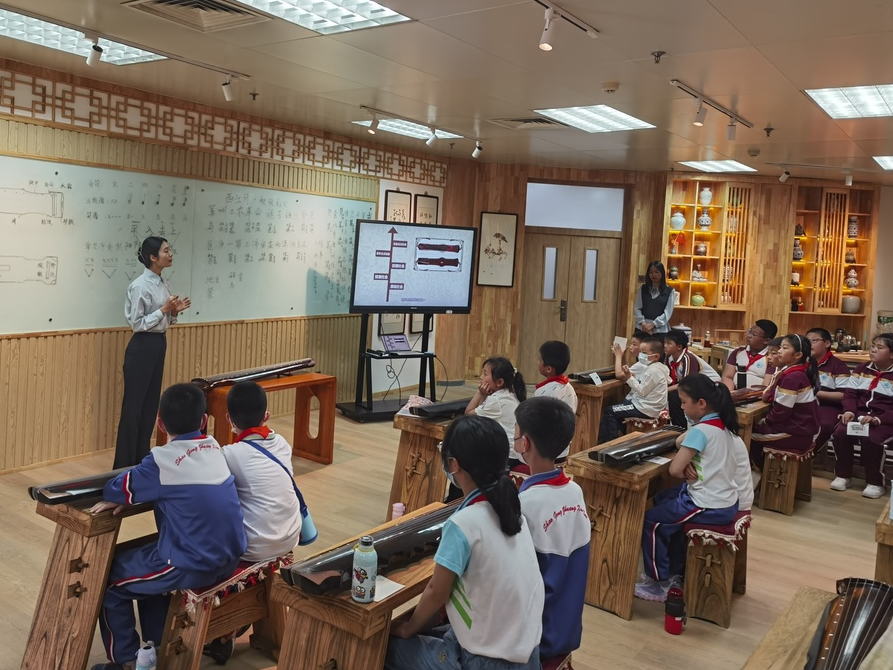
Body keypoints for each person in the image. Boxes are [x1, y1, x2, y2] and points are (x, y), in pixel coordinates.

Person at [88, 383, 246, 670]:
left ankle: (125, 661)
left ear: (160, 424)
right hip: (231, 556)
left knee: (108, 580)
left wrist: (131, 494)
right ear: (204, 420)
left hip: (192, 564)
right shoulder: (214, 447)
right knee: (147, 562)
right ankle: (159, 644)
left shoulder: (161, 461)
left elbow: (115, 489)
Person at [385, 415, 543, 670]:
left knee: (384, 648)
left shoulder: (463, 524)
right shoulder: (513, 511)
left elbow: (436, 592)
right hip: (529, 655)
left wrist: (406, 629)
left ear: (453, 464)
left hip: (483, 662)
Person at [635, 375, 752, 602]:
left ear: (701, 404)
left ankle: (659, 583)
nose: (681, 407)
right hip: (725, 500)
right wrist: (689, 460)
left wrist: (685, 463)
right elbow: (682, 445)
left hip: (708, 503)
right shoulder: (722, 425)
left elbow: (674, 470)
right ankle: (675, 569)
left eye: (684, 402)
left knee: (652, 521)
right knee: (663, 498)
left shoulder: (701, 431)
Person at [514, 398, 590, 666]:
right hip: (567, 629)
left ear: (525, 444)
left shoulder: (527, 504)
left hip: (537, 637)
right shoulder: (575, 491)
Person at [113, 237, 190, 468]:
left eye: (170, 249)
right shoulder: (139, 285)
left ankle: (141, 460)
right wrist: (164, 309)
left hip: (158, 344)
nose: (171, 254)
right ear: (153, 257)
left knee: (149, 407)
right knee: (133, 409)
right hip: (141, 347)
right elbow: (137, 323)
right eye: (166, 251)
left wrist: (174, 312)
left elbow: (163, 321)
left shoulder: (163, 282)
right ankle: (123, 465)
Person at [223, 381, 303, 562]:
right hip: (291, 537)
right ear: (266, 416)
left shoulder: (229, 454)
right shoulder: (282, 443)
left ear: (229, 419)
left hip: (254, 548)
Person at [830, 332, 893, 499]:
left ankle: (875, 482)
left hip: (885, 421)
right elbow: (850, 395)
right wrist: (849, 411)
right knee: (840, 433)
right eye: (872, 346)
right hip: (859, 416)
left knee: (872, 438)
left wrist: (878, 419)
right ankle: (843, 475)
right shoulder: (861, 369)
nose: (873, 350)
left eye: (879, 347)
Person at [750, 334, 820, 469]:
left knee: (747, 435)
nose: (779, 351)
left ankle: (761, 474)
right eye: (780, 347)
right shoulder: (796, 372)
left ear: (798, 355)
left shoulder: (792, 377)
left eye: (785, 348)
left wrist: (765, 421)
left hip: (795, 433)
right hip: (800, 430)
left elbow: (782, 411)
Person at [599, 336, 670, 443]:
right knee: (617, 411)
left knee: (609, 412)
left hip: (645, 408)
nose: (641, 355)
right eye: (640, 351)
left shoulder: (653, 371)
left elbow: (642, 391)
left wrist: (629, 377)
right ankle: (621, 440)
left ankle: (609, 444)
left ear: (656, 356)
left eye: (644, 353)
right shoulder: (659, 367)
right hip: (648, 406)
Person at [465, 356, 527, 464]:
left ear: (499, 382)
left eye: (485, 374)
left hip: (508, 455)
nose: (481, 377)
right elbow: (480, 413)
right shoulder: (508, 394)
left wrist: (480, 393)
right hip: (515, 453)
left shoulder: (497, 400)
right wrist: (484, 395)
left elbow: (468, 414)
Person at [664, 329, 721, 427]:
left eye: (669, 343)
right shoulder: (669, 357)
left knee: (674, 396)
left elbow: (686, 384)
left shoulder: (688, 358)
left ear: (679, 347)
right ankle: (673, 425)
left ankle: (680, 427)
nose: (665, 345)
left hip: (709, 386)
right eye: (664, 343)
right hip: (693, 385)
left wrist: (665, 390)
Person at [807, 327, 851, 451]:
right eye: (807, 341)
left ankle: (808, 454)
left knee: (823, 424)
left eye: (814, 341)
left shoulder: (838, 366)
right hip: (805, 403)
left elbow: (844, 395)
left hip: (829, 405)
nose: (809, 344)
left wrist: (815, 393)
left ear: (827, 343)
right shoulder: (803, 362)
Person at [533, 340, 577, 461]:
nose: (538, 362)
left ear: (548, 369)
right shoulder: (569, 387)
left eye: (540, 360)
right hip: (563, 449)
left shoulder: (544, 392)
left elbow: (536, 422)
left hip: (546, 450)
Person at [722, 319, 778, 391]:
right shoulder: (737, 352)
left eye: (753, 334)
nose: (749, 335)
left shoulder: (771, 358)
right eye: (749, 331)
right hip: (734, 392)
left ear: (766, 341)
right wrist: (729, 393)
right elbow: (727, 377)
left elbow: (766, 386)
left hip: (756, 395)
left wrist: (746, 395)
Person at [633, 261, 676, 335]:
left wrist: (653, 324)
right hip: (642, 328)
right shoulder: (642, 288)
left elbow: (667, 313)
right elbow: (637, 308)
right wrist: (644, 324)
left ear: (662, 273)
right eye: (651, 272)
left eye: (656, 272)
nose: (653, 275)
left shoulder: (670, 291)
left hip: (660, 330)